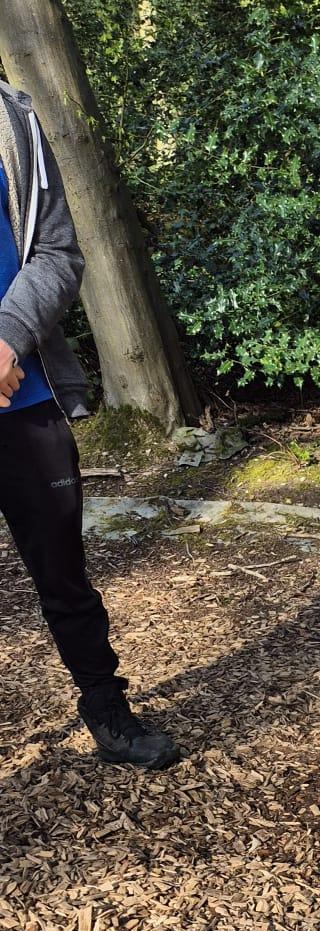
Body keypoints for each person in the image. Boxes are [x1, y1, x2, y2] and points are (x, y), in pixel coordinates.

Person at [0, 82, 180, 769]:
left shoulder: (12, 119)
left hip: (26, 399)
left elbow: (58, 252)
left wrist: (7, 340)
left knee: (65, 576)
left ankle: (107, 708)